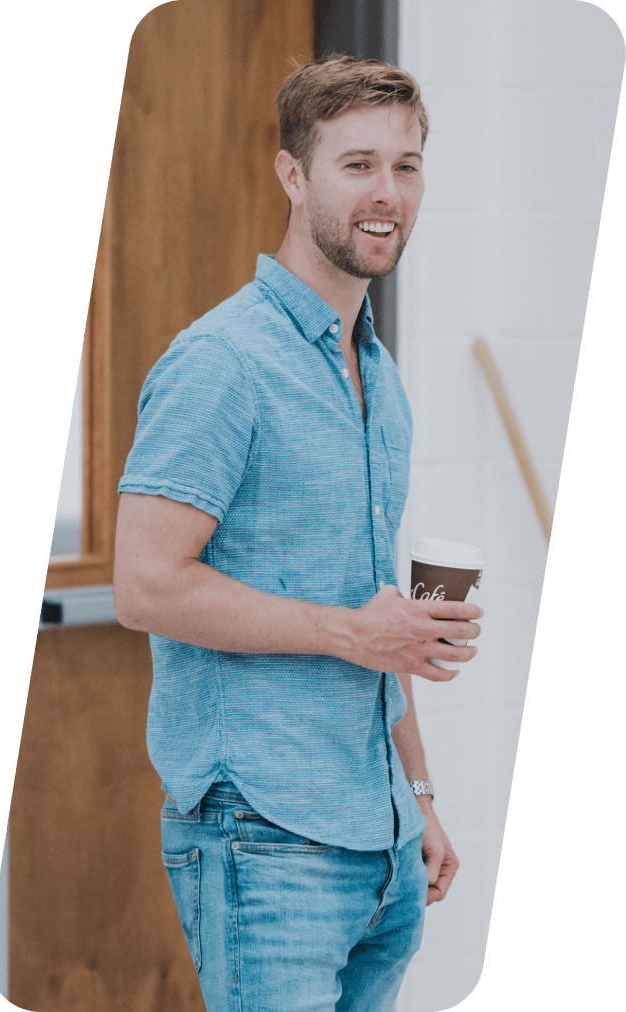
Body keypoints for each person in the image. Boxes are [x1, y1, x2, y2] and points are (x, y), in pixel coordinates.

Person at [114, 53, 483, 1012]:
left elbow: (371, 604)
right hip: (263, 837)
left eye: (405, 166)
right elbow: (145, 585)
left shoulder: (376, 376)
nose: (386, 193)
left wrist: (418, 796)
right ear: (292, 175)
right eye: (356, 165)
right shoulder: (222, 362)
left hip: (382, 842)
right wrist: (355, 633)